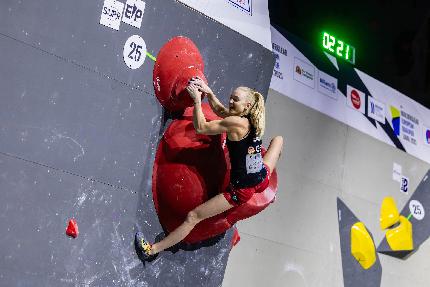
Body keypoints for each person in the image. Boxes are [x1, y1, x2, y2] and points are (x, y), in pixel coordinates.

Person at [135, 77, 283, 259]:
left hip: (241, 191)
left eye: (235, 99)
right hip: (262, 177)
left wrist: (197, 101)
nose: (231, 101)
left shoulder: (237, 123)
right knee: (278, 140)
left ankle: (152, 250)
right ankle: (266, 186)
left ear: (247, 106)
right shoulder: (248, 119)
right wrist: (210, 92)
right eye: (231, 97)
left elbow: (201, 127)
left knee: (193, 217)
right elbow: (221, 111)